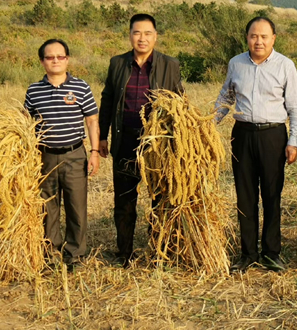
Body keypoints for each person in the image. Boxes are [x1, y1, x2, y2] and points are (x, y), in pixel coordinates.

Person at [215, 16, 297, 273]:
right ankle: (248, 254)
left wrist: (293, 141)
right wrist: (206, 125)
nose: (259, 41)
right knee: (245, 196)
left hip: (273, 135)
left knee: (271, 195)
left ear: (273, 38)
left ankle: (271, 253)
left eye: (264, 36)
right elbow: (225, 98)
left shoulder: (285, 65)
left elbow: (295, 107)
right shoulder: (236, 63)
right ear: (247, 38)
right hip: (242, 135)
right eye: (254, 36)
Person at [98, 14, 183, 267]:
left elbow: (179, 103)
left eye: (147, 33)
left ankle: (159, 251)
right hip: (125, 139)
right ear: (130, 36)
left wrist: (178, 141)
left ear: (155, 36)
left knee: (160, 197)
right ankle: (124, 252)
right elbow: (107, 100)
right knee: (124, 200)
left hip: (157, 144)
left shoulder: (170, 64)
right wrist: (102, 136)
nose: (142, 38)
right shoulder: (117, 63)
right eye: (137, 33)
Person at [24, 39, 100, 269]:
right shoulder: (33, 91)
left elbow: (92, 120)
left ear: (67, 59)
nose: (55, 61)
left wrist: (94, 152)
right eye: (50, 57)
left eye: (60, 56)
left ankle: (75, 254)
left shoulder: (81, 87)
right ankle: (51, 253)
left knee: (76, 206)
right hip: (44, 156)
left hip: (74, 154)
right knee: (48, 207)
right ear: (42, 61)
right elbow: (26, 124)